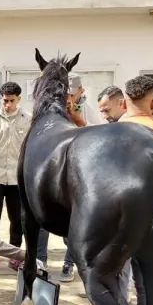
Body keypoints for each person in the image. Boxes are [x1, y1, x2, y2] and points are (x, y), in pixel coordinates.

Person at [37, 73, 105, 281]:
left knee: (74, 221)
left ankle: (69, 263)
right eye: (64, 93)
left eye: (71, 93)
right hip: (54, 170)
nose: (67, 97)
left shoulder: (90, 111)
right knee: (43, 216)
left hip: (79, 173)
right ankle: (40, 259)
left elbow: (99, 137)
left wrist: (79, 121)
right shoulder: (52, 110)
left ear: (80, 91)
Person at [0, 81, 31, 274]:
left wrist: (26, 175)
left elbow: (31, 149)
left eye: (12, 100)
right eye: (5, 101)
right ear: (0, 99)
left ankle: (15, 256)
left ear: (18, 99)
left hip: (18, 179)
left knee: (17, 220)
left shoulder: (28, 120)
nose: (8, 104)